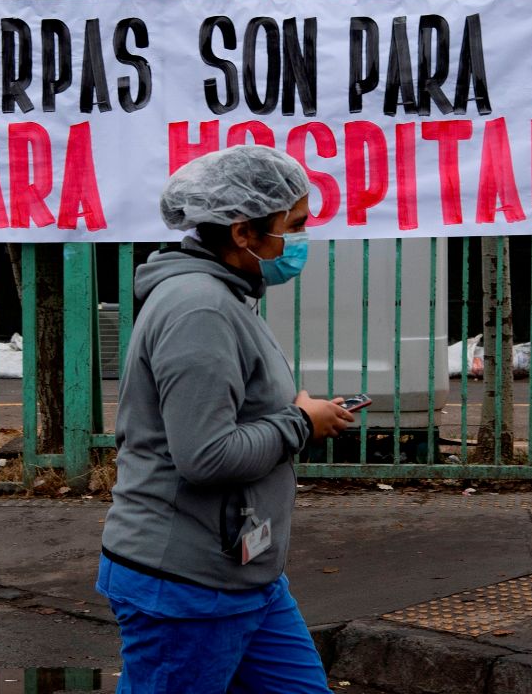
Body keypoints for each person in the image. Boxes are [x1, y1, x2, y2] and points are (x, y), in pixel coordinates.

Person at [97, 145, 354, 693]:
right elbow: (206, 456)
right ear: (243, 233)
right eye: (294, 226)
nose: (302, 239)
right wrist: (300, 423)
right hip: (186, 586)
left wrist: (296, 415)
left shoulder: (228, 296)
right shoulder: (200, 309)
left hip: (244, 573)